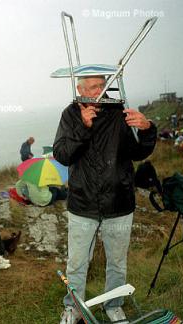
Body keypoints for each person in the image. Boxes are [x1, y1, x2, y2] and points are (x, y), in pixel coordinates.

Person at [53, 75, 157, 323]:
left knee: (117, 262)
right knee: (77, 263)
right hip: (83, 204)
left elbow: (137, 152)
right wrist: (82, 127)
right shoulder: (70, 114)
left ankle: (114, 305)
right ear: (79, 89)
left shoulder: (118, 111)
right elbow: (62, 154)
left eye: (101, 85)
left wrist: (147, 129)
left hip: (119, 203)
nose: (99, 91)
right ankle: (74, 307)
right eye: (92, 87)